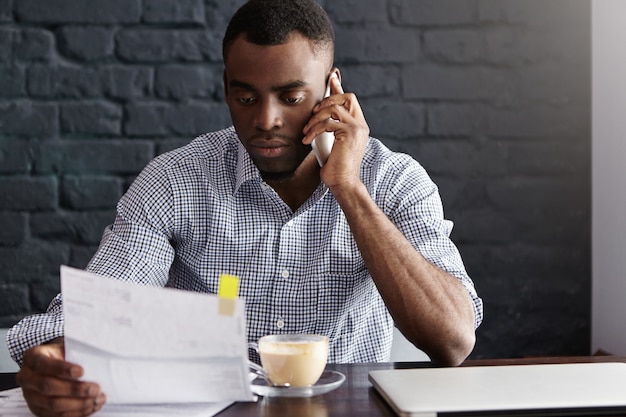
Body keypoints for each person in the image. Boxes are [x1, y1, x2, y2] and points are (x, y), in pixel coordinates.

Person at [7, 0, 483, 416]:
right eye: (245, 96)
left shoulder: (394, 181)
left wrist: (351, 191)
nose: (266, 121)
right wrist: (53, 361)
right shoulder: (175, 182)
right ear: (226, 87)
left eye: (292, 97)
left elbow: (453, 342)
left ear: (333, 89)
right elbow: (100, 310)